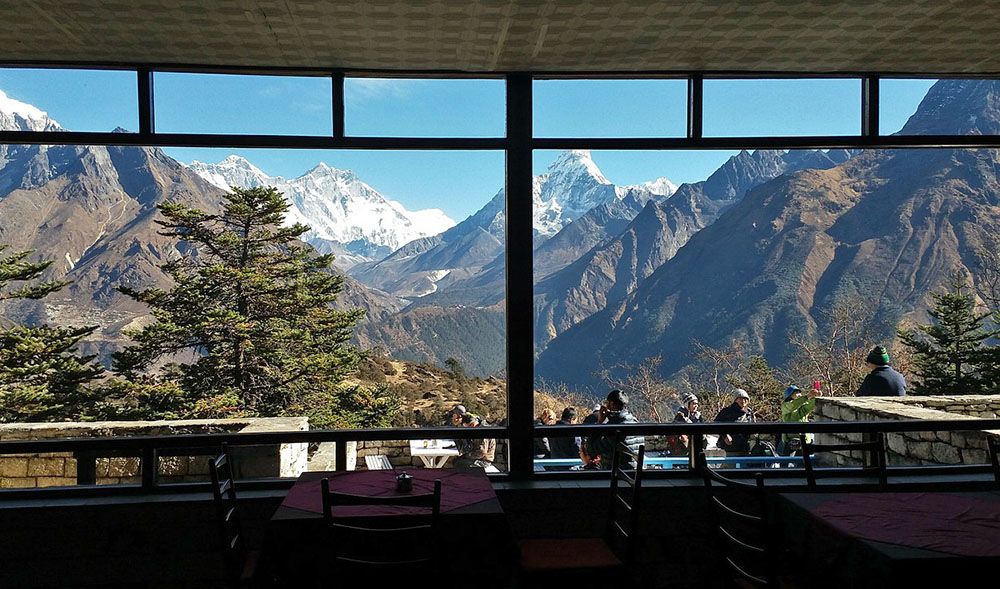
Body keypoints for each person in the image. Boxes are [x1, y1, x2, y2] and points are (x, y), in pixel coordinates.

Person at [587, 389, 644, 469]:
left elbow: (592, 450)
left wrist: (599, 423)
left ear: (611, 404)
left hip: (616, 473)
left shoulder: (613, 428)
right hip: (634, 470)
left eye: (607, 403)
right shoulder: (635, 422)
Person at [779, 385, 818, 455]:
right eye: (796, 392)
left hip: (804, 439)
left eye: (799, 392)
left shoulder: (802, 406)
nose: (799, 394)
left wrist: (817, 397)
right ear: (790, 395)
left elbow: (810, 406)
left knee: (804, 463)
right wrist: (807, 396)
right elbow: (793, 405)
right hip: (790, 440)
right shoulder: (785, 405)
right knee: (786, 462)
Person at [714, 388, 754, 456]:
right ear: (735, 400)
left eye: (745, 399)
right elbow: (715, 425)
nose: (743, 401)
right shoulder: (726, 411)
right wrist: (725, 435)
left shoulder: (749, 413)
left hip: (745, 447)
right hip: (730, 447)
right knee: (730, 465)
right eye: (740, 398)